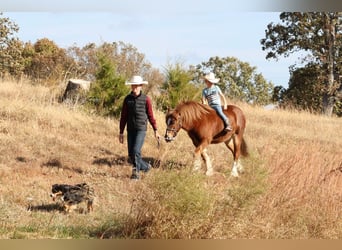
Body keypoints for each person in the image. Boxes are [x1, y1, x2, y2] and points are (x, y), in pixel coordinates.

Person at [119, 75, 161, 180]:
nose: (134, 88)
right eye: (133, 86)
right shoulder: (127, 99)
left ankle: (136, 173)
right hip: (130, 129)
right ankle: (146, 167)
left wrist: (155, 130)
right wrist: (121, 132)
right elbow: (123, 116)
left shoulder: (146, 99)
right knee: (131, 154)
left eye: (137, 86)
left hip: (141, 129)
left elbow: (151, 116)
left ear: (141, 86)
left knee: (136, 150)